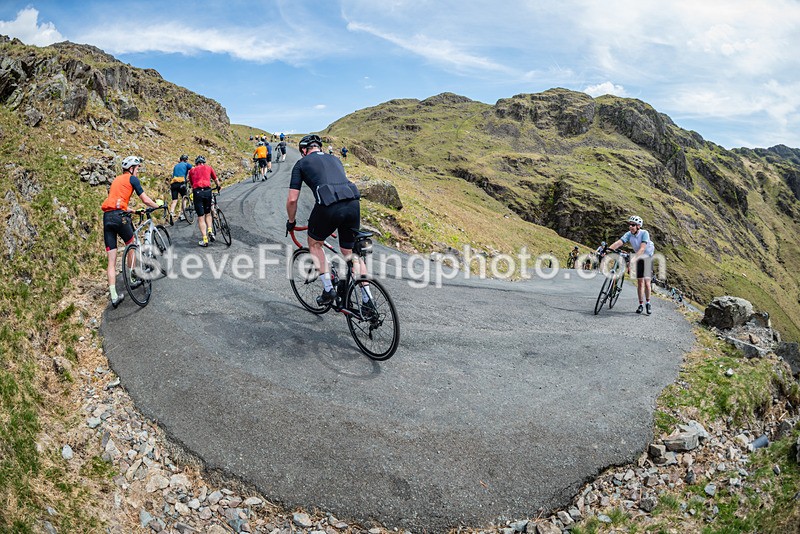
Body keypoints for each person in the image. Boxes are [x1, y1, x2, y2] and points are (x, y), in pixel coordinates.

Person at [286, 134, 366, 306]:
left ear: (303, 150)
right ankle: (368, 300)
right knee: (351, 254)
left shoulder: (301, 164)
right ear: (319, 147)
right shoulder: (335, 159)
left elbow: (292, 199)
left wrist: (291, 221)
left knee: (315, 244)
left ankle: (328, 289)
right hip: (352, 202)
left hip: (328, 204)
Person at [101, 156, 163, 308]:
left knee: (111, 260)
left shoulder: (116, 180)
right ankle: (132, 277)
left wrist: (133, 210)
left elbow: (116, 202)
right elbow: (145, 200)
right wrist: (157, 206)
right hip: (120, 217)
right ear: (132, 168)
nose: (138, 172)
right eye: (137, 168)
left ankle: (114, 296)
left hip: (107, 218)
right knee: (132, 244)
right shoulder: (132, 179)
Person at [607, 215, 655, 315]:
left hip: (646, 256)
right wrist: (608, 250)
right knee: (640, 282)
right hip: (638, 255)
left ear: (638, 226)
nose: (630, 227)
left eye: (633, 225)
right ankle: (641, 304)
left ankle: (648, 303)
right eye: (629, 224)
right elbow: (619, 242)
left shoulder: (644, 233)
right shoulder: (629, 234)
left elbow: (642, 249)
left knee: (647, 282)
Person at [187, 155, 221, 247]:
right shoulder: (209, 168)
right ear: (204, 162)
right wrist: (218, 186)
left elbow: (191, 183)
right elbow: (216, 179)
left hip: (197, 192)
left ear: (196, 163)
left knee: (201, 217)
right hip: (207, 191)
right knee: (208, 213)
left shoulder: (192, 170)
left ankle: (205, 239)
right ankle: (210, 230)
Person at [168, 154, 192, 221]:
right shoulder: (186, 164)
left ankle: (171, 212)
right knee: (184, 198)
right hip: (181, 182)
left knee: (174, 200)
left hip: (173, 183)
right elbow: (193, 170)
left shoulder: (176, 166)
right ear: (186, 160)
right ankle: (182, 214)